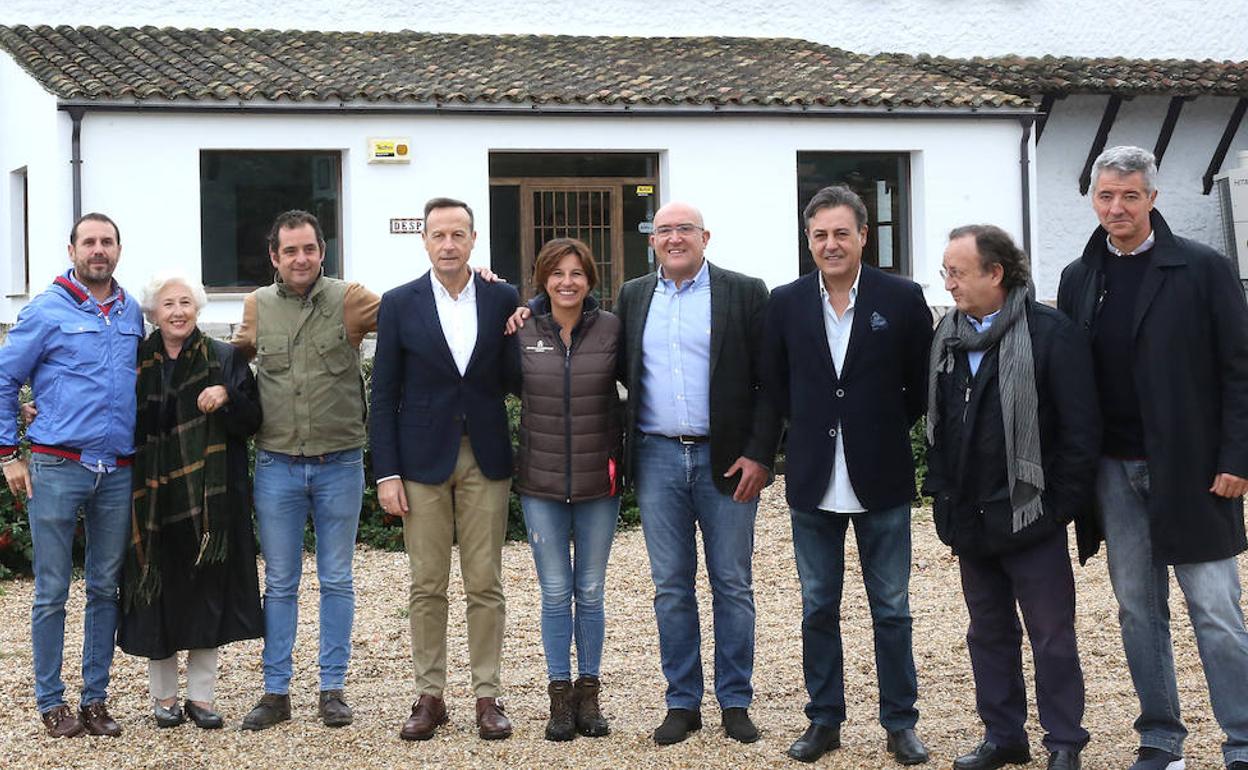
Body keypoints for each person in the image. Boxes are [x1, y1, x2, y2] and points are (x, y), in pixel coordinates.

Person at [1057, 146, 1248, 770]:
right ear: (1094, 199)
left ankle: (1243, 740)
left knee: (1215, 610)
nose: (1117, 207)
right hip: (1112, 470)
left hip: (1194, 470)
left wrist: (1237, 456)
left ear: (1153, 199)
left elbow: (1239, 371)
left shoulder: (1203, 269)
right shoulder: (1080, 276)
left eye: (1130, 196)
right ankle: (1161, 739)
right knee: (1138, 611)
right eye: (1107, 196)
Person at [762, 185, 933, 765]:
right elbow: (776, 388)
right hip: (812, 479)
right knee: (817, 607)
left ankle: (900, 722)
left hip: (880, 476)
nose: (830, 244)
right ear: (807, 241)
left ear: (864, 235)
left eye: (841, 233)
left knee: (892, 607)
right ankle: (824, 719)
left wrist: (875, 427)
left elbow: (919, 387)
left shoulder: (903, 299)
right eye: (819, 235)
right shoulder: (785, 303)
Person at [926, 226, 1099, 770]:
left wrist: (1055, 510)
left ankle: (1064, 741)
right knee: (988, 634)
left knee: (1050, 636)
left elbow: (1080, 434)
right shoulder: (948, 336)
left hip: (1031, 516)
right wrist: (945, 504)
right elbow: (941, 428)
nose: (949, 284)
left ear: (995, 273)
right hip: (971, 518)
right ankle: (1004, 736)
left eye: (957, 272)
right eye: (946, 272)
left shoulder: (1050, 333)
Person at [615, 201, 780, 746]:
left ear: (705, 236)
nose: (674, 238)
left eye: (684, 229)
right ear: (652, 241)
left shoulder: (744, 291)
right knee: (670, 587)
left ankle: (736, 700)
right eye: (664, 230)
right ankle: (682, 702)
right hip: (658, 456)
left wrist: (760, 454)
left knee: (732, 584)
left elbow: (769, 382)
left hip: (729, 461)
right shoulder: (635, 295)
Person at [370, 197, 522, 742]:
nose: (449, 244)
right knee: (426, 584)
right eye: (440, 235)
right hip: (419, 461)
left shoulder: (502, 296)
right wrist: (385, 472)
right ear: (426, 241)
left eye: (459, 234)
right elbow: (383, 393)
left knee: (486, 583)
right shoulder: (399, 303)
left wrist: (529, 317)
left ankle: (488, 696)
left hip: (485, 456)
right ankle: (429, 695)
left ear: (474, 239)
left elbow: (520, 369)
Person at [232, 209, 379, 730]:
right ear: (275, 256)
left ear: (323, 252)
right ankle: (276, 692)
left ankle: (332, 689)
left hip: (340, 462)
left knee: (337, 578)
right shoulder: (257, 306)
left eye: (309, 249)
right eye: (290, 250)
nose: (301, 259)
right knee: (281, 582)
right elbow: (227, 362)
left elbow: (417, 318)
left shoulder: (351, 298)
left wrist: (482, 286)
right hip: (277, 466)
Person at [0, 213, 141, 738]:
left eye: (107, 241)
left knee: (105, 589)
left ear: (119, 250)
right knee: (51, 591)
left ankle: (95, 699)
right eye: (89, 242)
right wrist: (8, 453)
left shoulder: (131, 314)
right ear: (72, 249)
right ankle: (51, 700)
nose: (98, 250)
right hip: (57, 467)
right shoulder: (46, 310)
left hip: (117, 471)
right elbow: (5, 376)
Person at [117, 272, 264, 729]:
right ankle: (163, 699)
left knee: (205, 595)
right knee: (154, 591)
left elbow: (254, 421)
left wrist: (228, 397)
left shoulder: (225, 358)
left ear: (198, 309)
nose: (178, 311)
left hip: (209, 504)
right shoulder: (138, 359)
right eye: (168, 304)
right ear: (153, 313)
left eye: (185, 302)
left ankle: (201, 698)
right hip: (152, 500)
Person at [514, 238, 622, 742]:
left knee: (592, 591)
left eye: (577, 273)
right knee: (556, 593)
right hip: (540, 482)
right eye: (557, 273)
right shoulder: (521, 330)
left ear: (590, 280)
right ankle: (559, 697)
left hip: (598, 482)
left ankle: (589, 694)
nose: (567, 282)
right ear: (542, 279)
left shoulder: (612, 329)